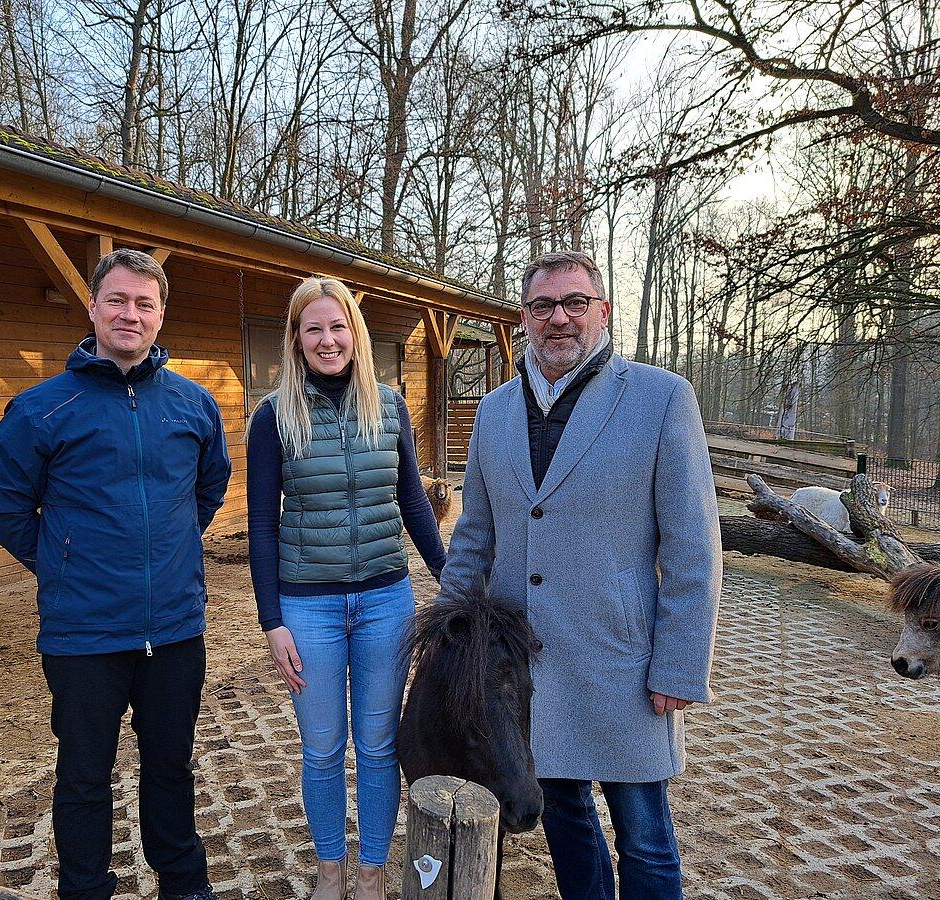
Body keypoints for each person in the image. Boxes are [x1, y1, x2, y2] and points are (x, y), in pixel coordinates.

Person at [440, 251, 722, 899]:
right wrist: (447, 641)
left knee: (643, 834)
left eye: (573, 303)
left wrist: (679, 667)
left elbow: (693, 549)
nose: (558, 318)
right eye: (542, 306)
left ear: (603, 312)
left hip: (623, 662)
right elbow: (475, 538)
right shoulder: (494, 413)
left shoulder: (661, 400)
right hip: (530, 669)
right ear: (524, 319)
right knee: (564, 819)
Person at [0, 249, 231, 900]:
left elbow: (208, 491)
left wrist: (163, 552)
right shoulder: (43, 409)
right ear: (91, 307)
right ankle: (86, 888)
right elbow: (5, 507)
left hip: (174, 630)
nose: (130, 314)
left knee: (170, 768)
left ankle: (184, 884)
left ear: (161, 315)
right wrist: (68, 561)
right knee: (86, 775)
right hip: (83, 635)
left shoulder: (194, 406)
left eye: (144, 303)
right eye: (116, 300)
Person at [246, 277, 447, 900]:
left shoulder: (388, 407)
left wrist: (455, 582)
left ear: (354, 334)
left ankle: (372, 870)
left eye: (338, 327)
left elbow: (413, 502)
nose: (328, 340)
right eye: (314, 330)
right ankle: (330, 868)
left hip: (387, 601)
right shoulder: (273, 416)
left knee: (380, 747)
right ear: (297, 338)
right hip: (308, 608)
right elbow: (259, 523)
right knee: (325, 748)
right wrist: (271, 622)